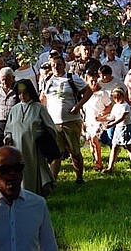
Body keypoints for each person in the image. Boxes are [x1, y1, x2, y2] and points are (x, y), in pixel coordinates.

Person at [39, 56, 92, 184]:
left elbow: (88, 92)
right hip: (53, 122)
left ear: (64, 65)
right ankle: (52, 181)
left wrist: (78, 106)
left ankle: (79, 178)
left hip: (71, 121)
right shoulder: (47, 80)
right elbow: (43, 98)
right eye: (53, 65)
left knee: (74, 151)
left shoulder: (72, 78)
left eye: (58, 64)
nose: (56, 67)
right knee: (56, 153)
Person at [3, 80, 57, 196]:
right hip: (17, 149)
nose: (22, 95)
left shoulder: (38, 108)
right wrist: (8, 137)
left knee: (33, 172)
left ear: (30, 92)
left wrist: (42, 136)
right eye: (20, 93)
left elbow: (50, 127)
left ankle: (35, 195)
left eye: (25, 92)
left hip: (33, 149)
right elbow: (8, 128)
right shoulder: (15, 109)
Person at [103, 88, 131, 172]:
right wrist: (102, 119)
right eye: (115, 98)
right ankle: (110, 168)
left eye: (118, 97)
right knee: (114, 147)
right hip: (118, 129)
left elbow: (122, 118)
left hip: (126, 128)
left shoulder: (125, 106)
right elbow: (112, 117)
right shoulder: (116, 106)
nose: (117, 99)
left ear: (123, 96)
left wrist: (111, 124)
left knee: (129, 147)